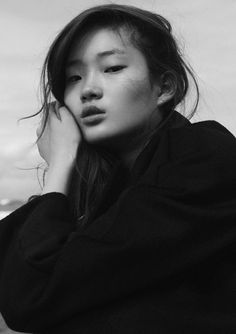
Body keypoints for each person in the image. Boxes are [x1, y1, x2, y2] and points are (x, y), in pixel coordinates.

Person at [0, 3, 236, 333]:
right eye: (74, 77)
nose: (88, 89)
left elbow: (32, 296)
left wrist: (59, 164)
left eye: (112, 68)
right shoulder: (109, 188)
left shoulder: (203, 158)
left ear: (165, 87)